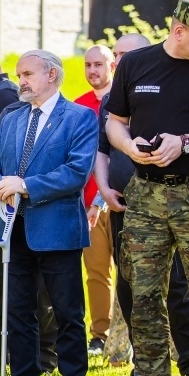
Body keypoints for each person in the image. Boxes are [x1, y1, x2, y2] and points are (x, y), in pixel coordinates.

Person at [0, 49, 98, 376]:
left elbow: (76, 172)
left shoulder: (79, 118)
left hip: (58, 231)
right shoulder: (12, 118)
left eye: (28, 74)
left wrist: (25, 185)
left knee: (67, 313)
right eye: (19, 75)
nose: (22, 81)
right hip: (12, 231)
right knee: (17, 312)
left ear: (52, 75)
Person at [106, 0, 189, 376]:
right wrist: (130, 148)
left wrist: (185, 142)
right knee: (141, 294)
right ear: (180, 31)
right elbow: (114, 122)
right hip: (145, 194)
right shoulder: (136, 64)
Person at [75, 44, 117, 356]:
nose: (93, 71)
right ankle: (99, 335)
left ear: (112, 66)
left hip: (122, 201)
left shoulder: (124, 102)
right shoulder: (79, 107)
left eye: (99, 64)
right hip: (88, 206)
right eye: (88, 65)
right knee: (96, 272)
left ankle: (128, 338)